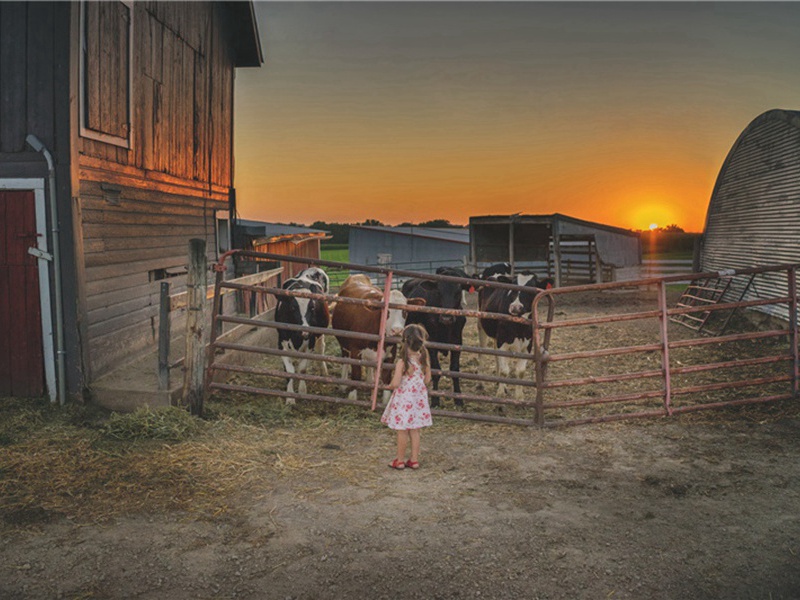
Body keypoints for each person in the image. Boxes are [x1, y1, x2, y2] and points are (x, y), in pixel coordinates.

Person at [380, 324, 433, 470]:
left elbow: (396, 383)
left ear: (404, 341)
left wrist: (388, 386)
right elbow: (427, 380)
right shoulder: (424, 359)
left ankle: (400, 460)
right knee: (415, 430)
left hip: (404, 400)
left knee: (402, 430)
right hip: (419, 400)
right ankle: (414, 460)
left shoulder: (402, 362)